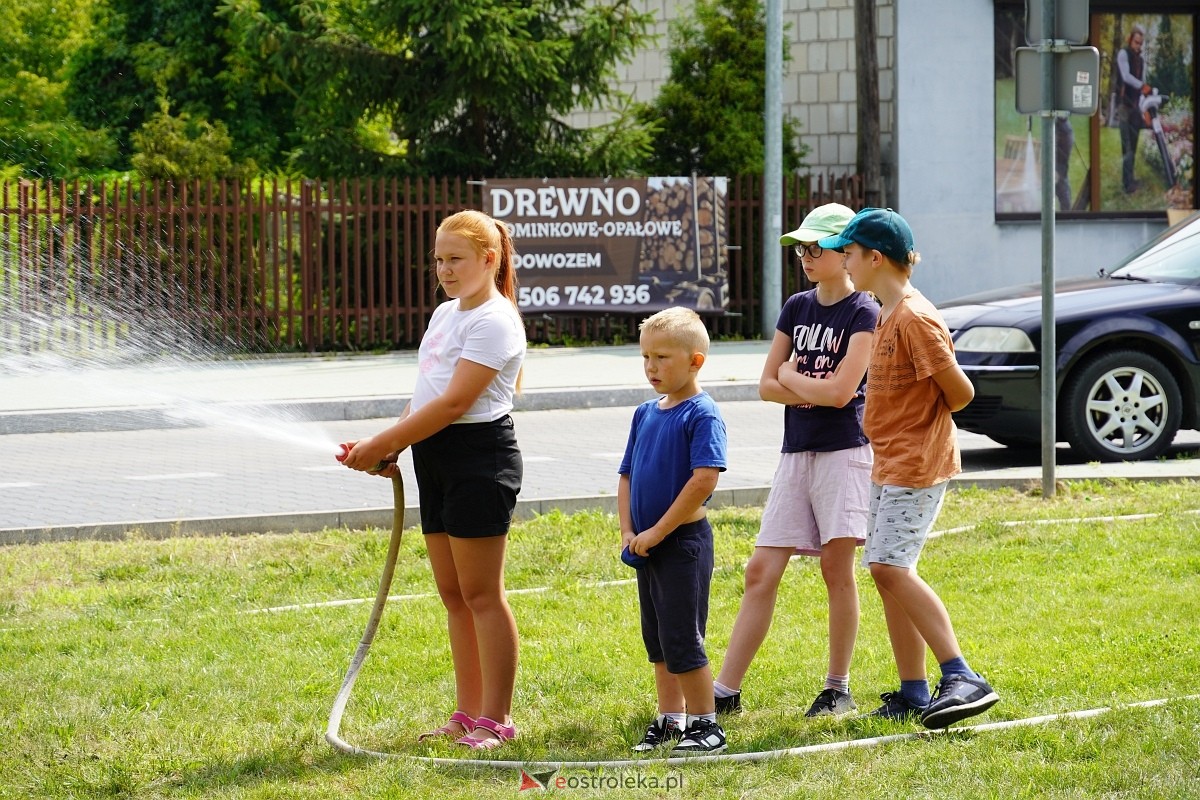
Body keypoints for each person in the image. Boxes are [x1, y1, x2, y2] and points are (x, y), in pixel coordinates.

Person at [339, 209, 526, 750]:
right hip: (435, 454)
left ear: (488, 259)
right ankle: (466, 714)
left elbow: (456, 402)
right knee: (453, 594)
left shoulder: (495, 319)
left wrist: (386, 443)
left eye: (456, 259)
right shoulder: (446, 314)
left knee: (482, 594)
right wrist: (390, 441)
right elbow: (426, 395)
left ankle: (497, 719)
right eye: (439, 260)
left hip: (478, 459)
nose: (445, 269)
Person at [818, 208, 1000, 729]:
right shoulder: (885, 311)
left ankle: (962, 675)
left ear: (875, 258)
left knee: (889, 566)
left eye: (849, 253)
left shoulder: (916, 318)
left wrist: (924, 414)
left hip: (917, 463)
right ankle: (914, 691)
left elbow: (960, 392)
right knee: (887, 572)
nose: (845, 262)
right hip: (890, 459)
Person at [712, 203, 878, 719]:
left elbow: (842, 393)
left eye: (816, 247)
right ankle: (724, 690)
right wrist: (807, 387)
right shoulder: (795, 307)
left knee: (837, 570)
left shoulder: (864, 312)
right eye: (801, 248)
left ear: (845, 252)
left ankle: (837, 687)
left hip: (845, 453)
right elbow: (765, 385)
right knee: (761, 570)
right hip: (796, 454)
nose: (805, 256)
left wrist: (796, 381)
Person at [619, 307, 729, 754]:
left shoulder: (702, 414)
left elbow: (703, 480)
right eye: (646, 357)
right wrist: (630, 532)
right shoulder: (645, 412)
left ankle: (706, 723)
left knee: (683, 636)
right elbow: (626, 474)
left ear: (695, 361)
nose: (651, 367)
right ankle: (670, 719)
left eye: (662, 358)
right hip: (647, 545)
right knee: (658, 638)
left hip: (682, 544)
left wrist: (659, 531)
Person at [1115, 24, 1152, 194]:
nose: (1138, 46)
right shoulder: (1123, 54)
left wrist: (1144, 106)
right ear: (1130, 40)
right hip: (1124, 106)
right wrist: (1142, 86)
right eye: (1136, 42)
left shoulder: (1142, 61)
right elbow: (1126, 76)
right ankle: (1126, 184)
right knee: (1127, 147)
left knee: (1134, 146)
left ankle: (1130, 179)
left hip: (1136, 107)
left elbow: (1142, 84)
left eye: (1140, 43)